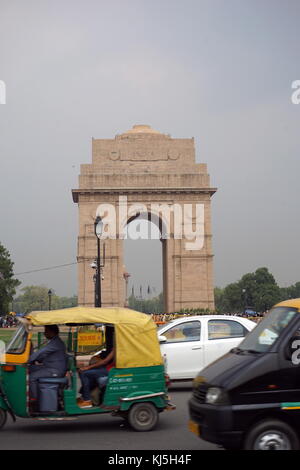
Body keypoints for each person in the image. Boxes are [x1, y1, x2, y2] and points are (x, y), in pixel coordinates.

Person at [28, 325, 68, 400]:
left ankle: (35, 399)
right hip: (50, 367)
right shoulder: (53, 341)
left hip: (55, 370)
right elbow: (43, 355)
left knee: (32, 377)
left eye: (46, 331)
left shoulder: (55, 343)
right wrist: (36, 359)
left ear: (52, 332)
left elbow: (41, 351)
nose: (44, 333)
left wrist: (28, 359)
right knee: (29, 369)